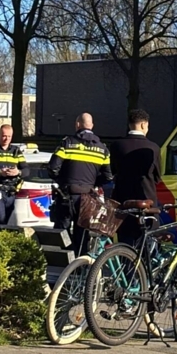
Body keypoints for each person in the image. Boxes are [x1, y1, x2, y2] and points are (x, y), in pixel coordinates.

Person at [48, 113, 113, 254]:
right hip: (88, 198)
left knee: (62, 232)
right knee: (82, 234)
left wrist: (63, 181)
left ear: (77, 125)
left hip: (67, 195)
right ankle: (80, 268)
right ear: (92, 126)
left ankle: (63, 267)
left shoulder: (67, 143)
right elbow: (108, 177)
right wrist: (93, 184)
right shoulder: (103, 149)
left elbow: (52, 168)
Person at [109, 109, 162, 246]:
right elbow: (157, 177)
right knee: (147, 245)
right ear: (144, 125)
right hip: (147, 201)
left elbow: (113, 171)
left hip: (123, 201)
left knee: (125, 244)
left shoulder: (116, 146)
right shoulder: (153, 148)